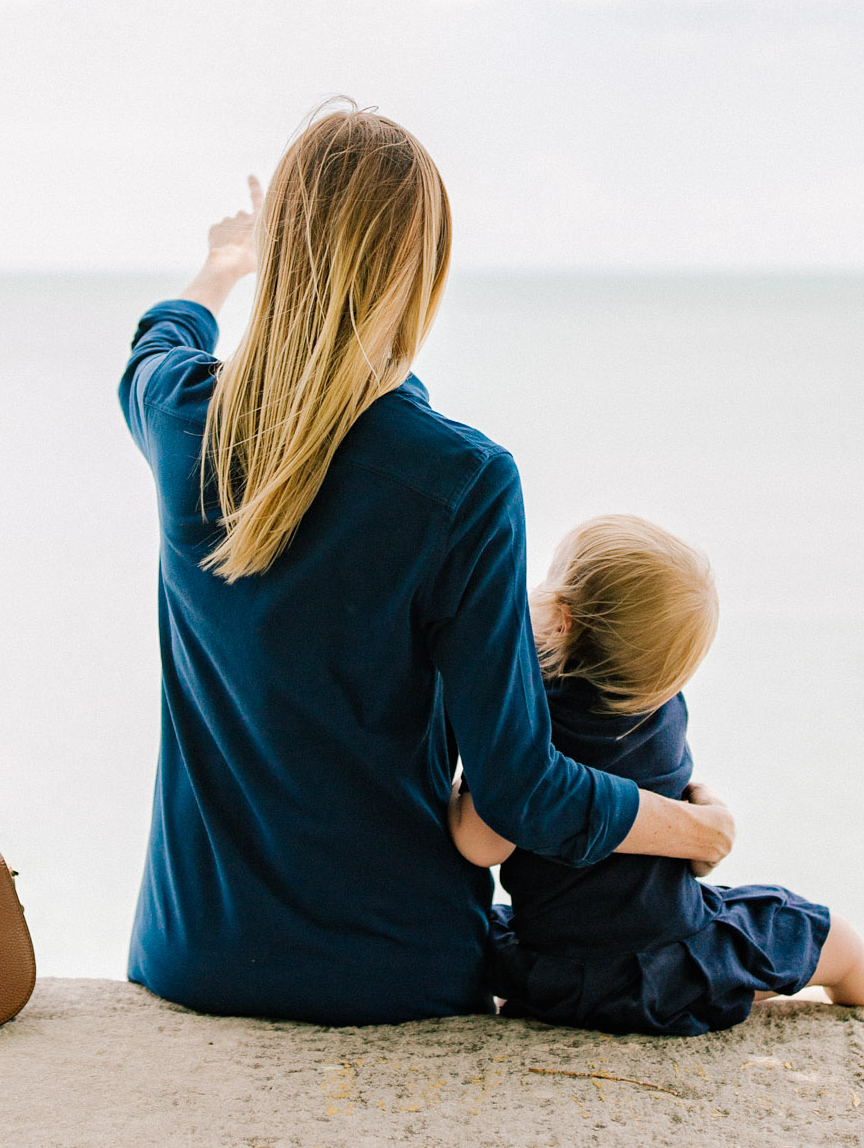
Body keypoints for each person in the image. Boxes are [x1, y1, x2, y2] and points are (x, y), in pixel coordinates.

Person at [119, 108, 734, 1024]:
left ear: (287, 256)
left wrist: (223, 266)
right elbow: (521, 791)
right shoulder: (462, 481)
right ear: (426, 271)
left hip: (192, 955)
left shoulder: (182, 417)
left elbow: (156, 343)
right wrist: (696, 828)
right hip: (391, 971)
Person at [453, 514, 864, 1032]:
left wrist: (463, 784)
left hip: (559, 974)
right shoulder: (665, 707)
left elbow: (480, 845)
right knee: (837, 941)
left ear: (562, 617)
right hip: (675, 969)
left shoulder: (528, 717)